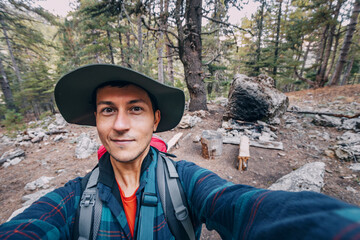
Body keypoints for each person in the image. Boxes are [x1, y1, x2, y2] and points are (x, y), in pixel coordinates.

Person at [0, 64, 359, 240]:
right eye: (108, 109)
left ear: (155, 120)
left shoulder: (184, 181)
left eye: (135, 109)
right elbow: (29, 228)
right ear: (96, 119)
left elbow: (240, 204)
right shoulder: (74, 199)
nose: (120, 124)